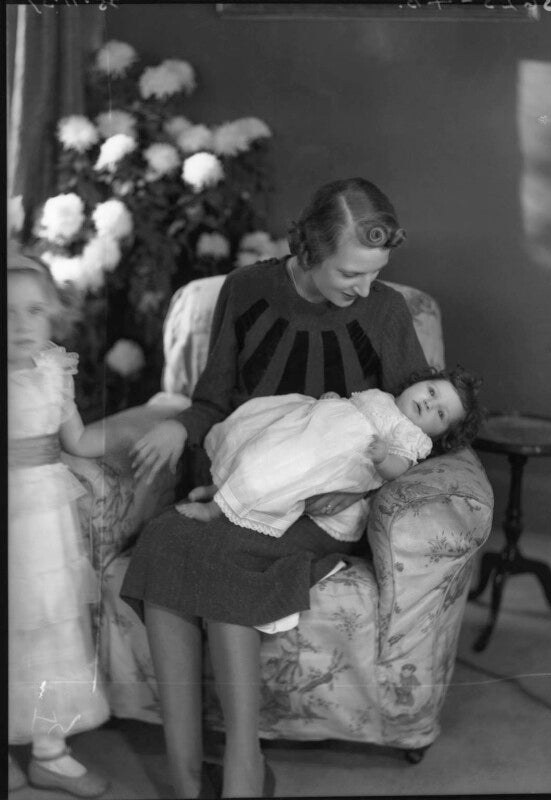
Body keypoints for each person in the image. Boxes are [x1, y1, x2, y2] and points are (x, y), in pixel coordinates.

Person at [122, 177, 431, 799]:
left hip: (320, 506)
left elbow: (422, 427)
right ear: (310, 248)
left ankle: (243, 762)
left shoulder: (386, 312)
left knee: (222, 553)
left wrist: (364, 491)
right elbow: (211, 400)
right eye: (351, 273)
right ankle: (186, 777)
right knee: (164, 540)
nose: (365, 288)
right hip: (242, 483)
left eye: (376, 273)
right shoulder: (245, 290)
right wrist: (179, 427)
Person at [7, 249, 111, 798]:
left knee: (51, 625)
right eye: (6, 312)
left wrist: (137, 432)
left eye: (34, 311)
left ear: (52, 316)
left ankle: (50, 750)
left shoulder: (54, 371)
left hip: (46, 522)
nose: (20, 324)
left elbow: (78, 439)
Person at [176, 366, 482, 542]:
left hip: (326, 460)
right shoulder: (382, 397)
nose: (429, 403)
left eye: (440, 413)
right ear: (418, 383)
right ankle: (219, 488)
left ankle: (214, 510)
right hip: (307, 431)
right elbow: (351, 409)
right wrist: (333, 402)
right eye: (431, 391)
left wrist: (382, 459)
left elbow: (399, 469)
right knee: (256, 443)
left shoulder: (412, 436)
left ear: (438, 435)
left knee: (271, 474)